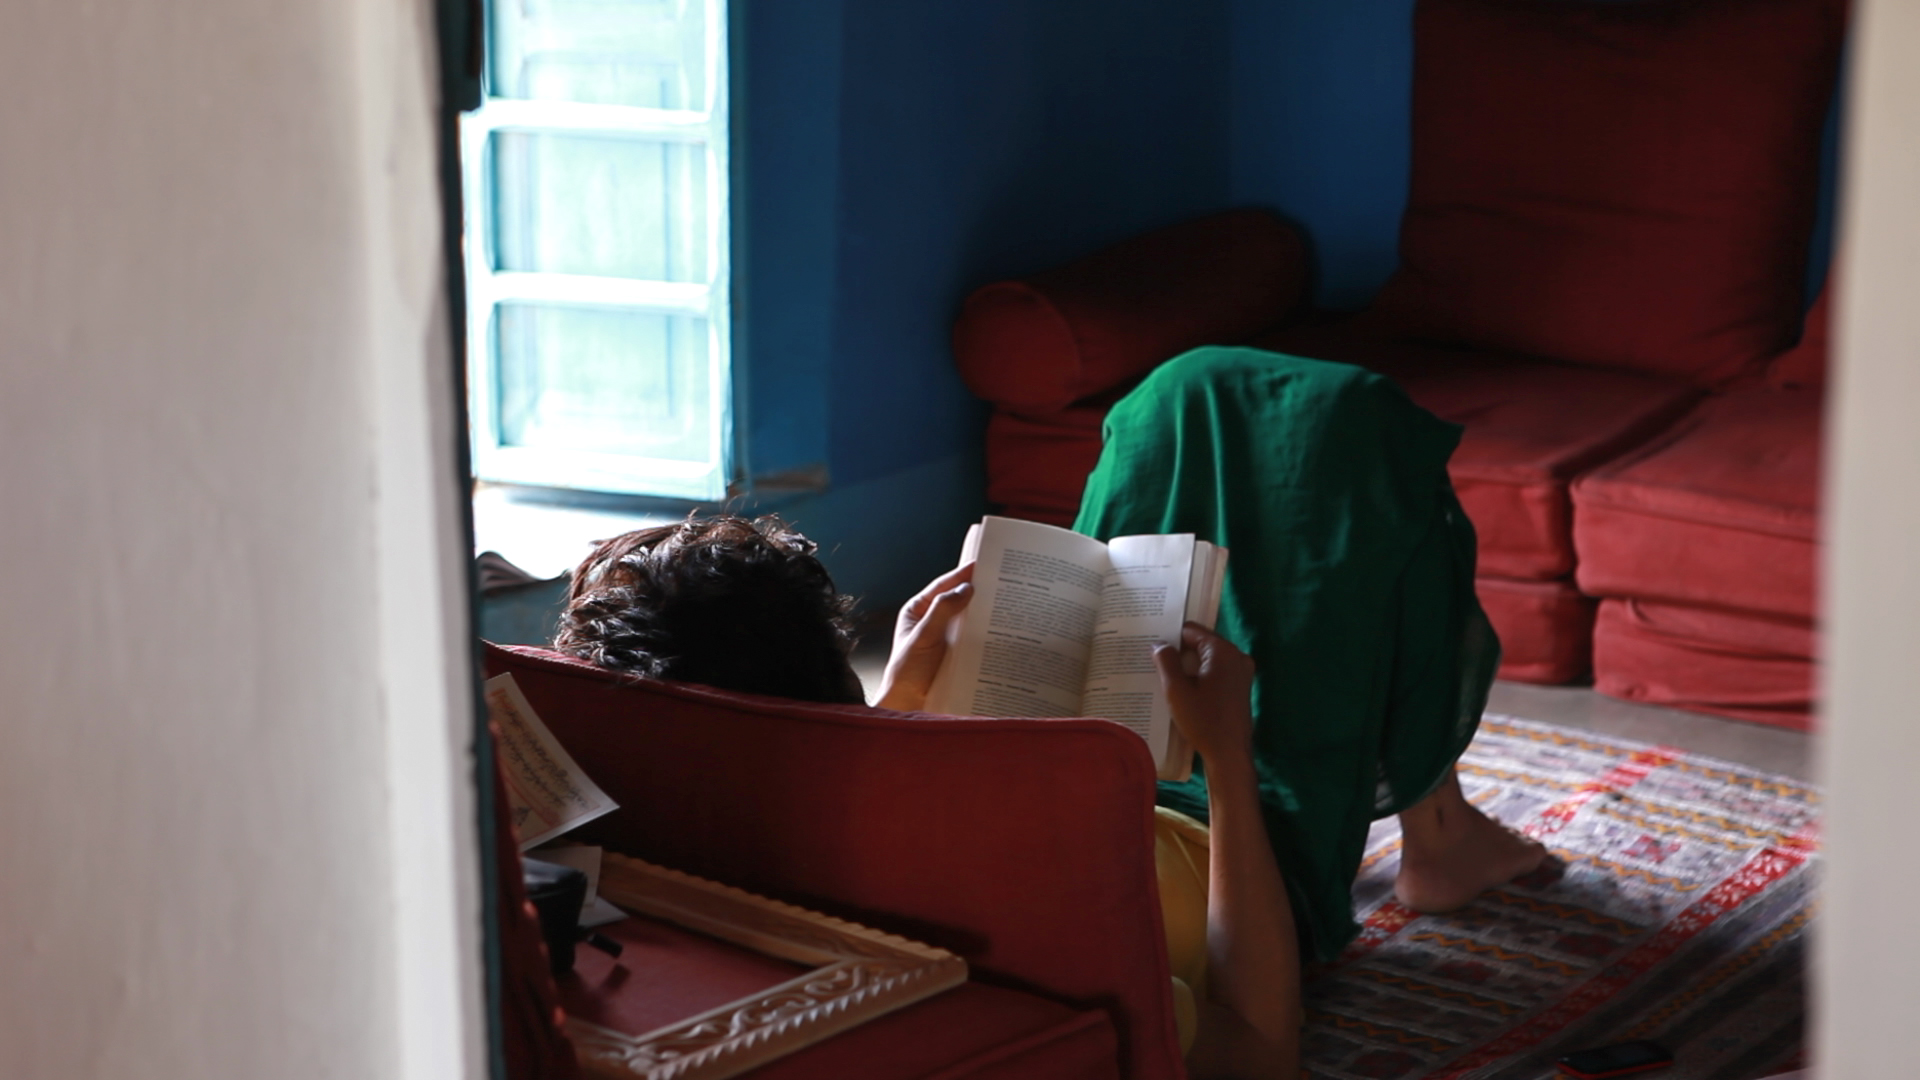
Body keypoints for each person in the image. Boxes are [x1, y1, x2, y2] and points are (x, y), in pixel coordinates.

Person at [554, 515, 1303, 1078]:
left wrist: (897, 702)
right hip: (1226, 887)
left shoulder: (623, 824)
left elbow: (772, 761)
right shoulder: (1030, 903)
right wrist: (1228, 757)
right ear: (836, 665)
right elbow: (1261, 1053)